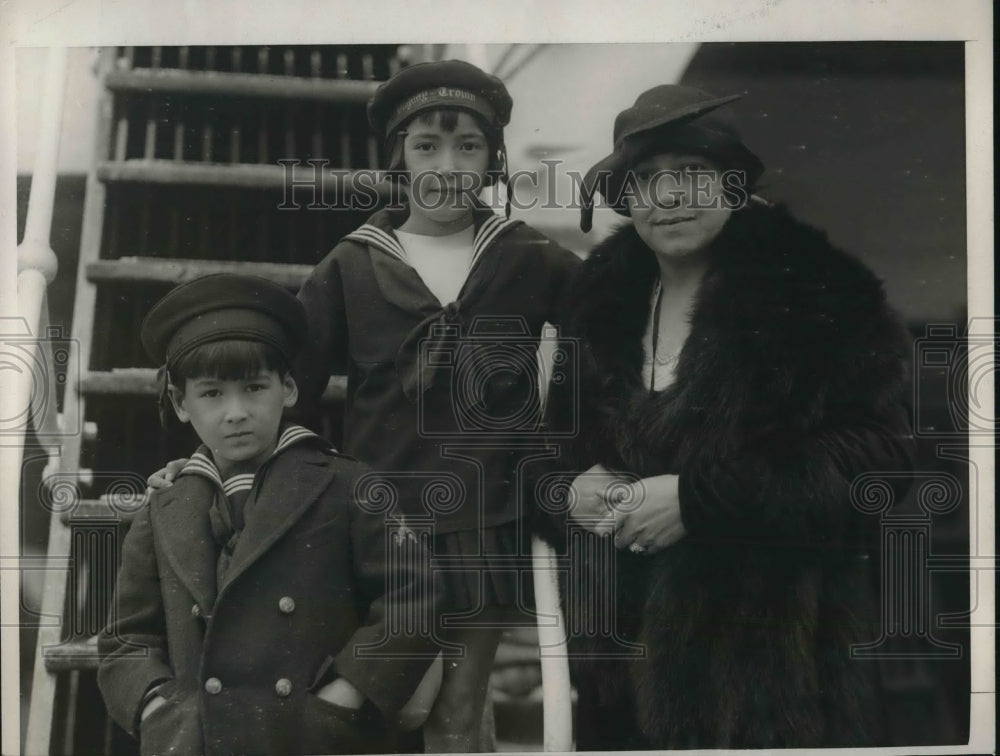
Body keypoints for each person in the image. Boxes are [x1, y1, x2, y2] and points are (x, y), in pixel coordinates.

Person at [147, 60, 579, 752]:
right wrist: (204, 465)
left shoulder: (532, 258)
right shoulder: (353, 264)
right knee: (374, 704)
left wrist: (563, 455)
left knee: (459, 715)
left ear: (493, 158)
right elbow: (288, 391)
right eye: (426, 146)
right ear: (398, 157)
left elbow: (607, 345)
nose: (447, 166)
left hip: (485, 518)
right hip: (377, 525)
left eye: (468, 146)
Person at [535, 85, 915, 749]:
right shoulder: (593, 303)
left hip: (777, 685)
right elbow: (542, 460)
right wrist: (566, 492)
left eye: (691, 175)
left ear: (734, 187)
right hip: (619, 678)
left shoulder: (819, 288)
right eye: (647, 181)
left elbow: (885, 460)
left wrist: (699, 498)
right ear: (625, 198)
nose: (670, 197)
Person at [99, 274, 442, 756]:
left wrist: (345, 695)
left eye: (255, 387)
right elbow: (127, 638)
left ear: (289, 388)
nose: (236, 412)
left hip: (315, 736)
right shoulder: (164, 506)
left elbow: (413, 598)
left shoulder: (346, 486)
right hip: (197, 740)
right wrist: (158, 708)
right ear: (180, 404)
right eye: (212, 394)